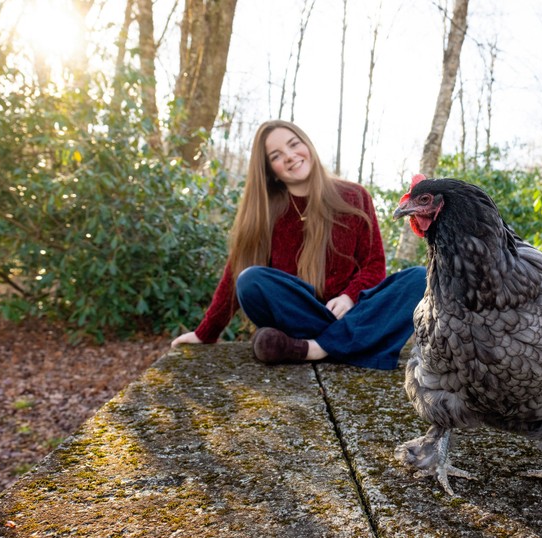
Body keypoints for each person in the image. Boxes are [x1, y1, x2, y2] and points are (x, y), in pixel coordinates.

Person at [171, 120, 426, 370]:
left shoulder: (355, 196)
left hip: (350, 312)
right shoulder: (266, 211)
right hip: (300, 314)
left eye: (294, 144)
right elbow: (235, 272)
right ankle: (348, 344)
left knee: (421, 278)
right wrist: (206, 332)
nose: (291, 156)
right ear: (269, 170)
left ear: (308, 145)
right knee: (250, 280)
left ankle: (312, 349)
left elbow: (374, 265)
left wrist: (349, 297)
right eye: (277, 156)